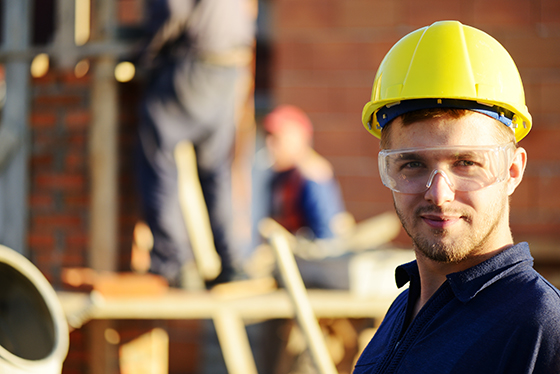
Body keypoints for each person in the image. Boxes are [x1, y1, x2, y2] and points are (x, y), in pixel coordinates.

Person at [353, 21, 560, 373]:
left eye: (466, 163)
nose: (438, 194)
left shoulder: (540, 329)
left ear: (512, 170)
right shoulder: (404, 309)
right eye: (412, 164)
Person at [135, 0, 255, 287]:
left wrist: (146, 54)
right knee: (215, 170)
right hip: (229, 67)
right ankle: (231, 262)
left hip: (195, 63)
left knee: (155, 154)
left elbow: (172, 12)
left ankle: (171, 261)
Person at [262, 105, 345, 240]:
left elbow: (326, 237)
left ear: (297, 139)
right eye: (267, 137)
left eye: (276, 138)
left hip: (308, 257)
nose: (269, 145)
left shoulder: (313, 176)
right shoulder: (278, 175)